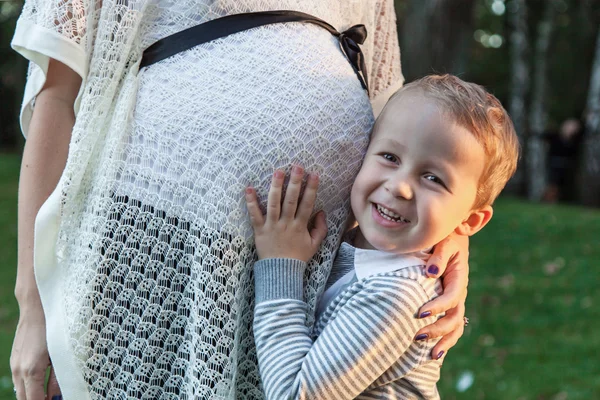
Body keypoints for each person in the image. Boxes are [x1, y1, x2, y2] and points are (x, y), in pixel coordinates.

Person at [11, 2, 471, 399]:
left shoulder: (391, 290)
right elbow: (58, 94)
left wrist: (449, 243)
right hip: (156, 245)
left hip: (301, 264)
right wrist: (34, 306)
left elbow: (396, 113)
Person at [245, 74, 520, 399]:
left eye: (432, 178)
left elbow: (293, 395)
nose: (399, 186)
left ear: (471, 220)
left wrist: (281, 265)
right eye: (390, 157)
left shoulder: (395, 295)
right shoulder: (355, 242)